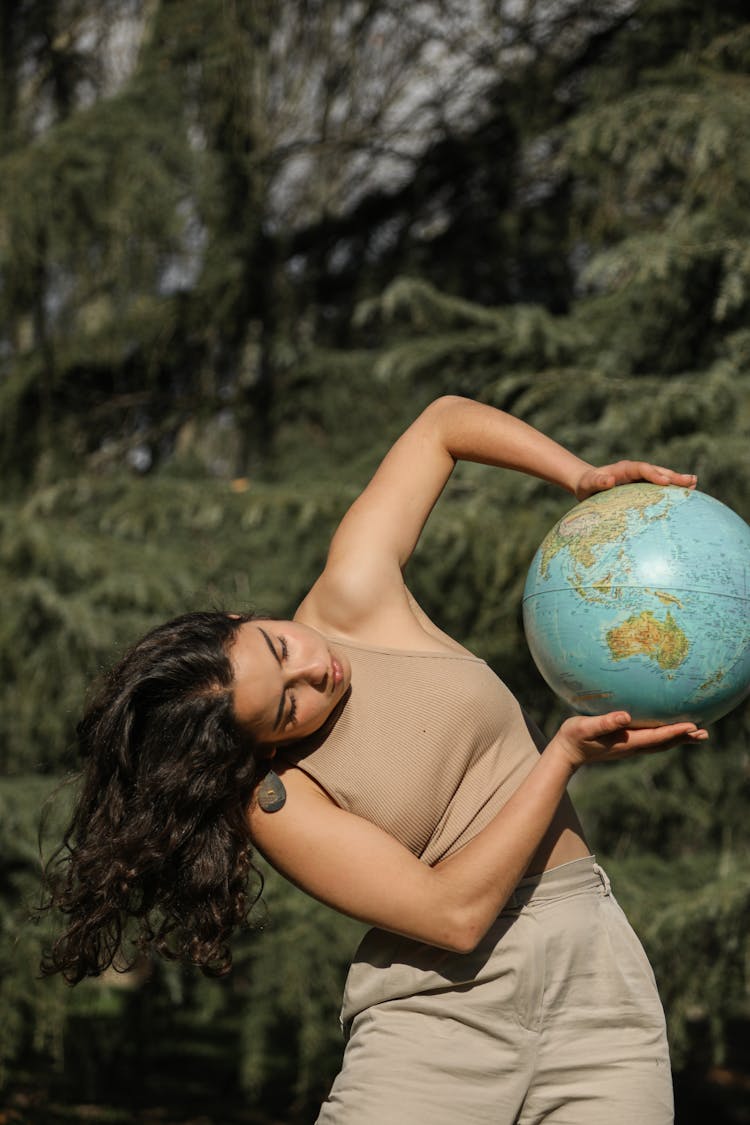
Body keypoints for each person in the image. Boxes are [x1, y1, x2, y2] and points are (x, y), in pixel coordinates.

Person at [44, 396, 706, 1124]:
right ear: (260, 744)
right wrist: (563, 756)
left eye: (279, 647)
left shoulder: (354, 594)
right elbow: (453, 917)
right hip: (441, 1013)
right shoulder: (281, 801)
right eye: (286, 706)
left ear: (243, 619)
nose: (315, 673)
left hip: (594, 976)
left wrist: (579, 477)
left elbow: (443, 424)